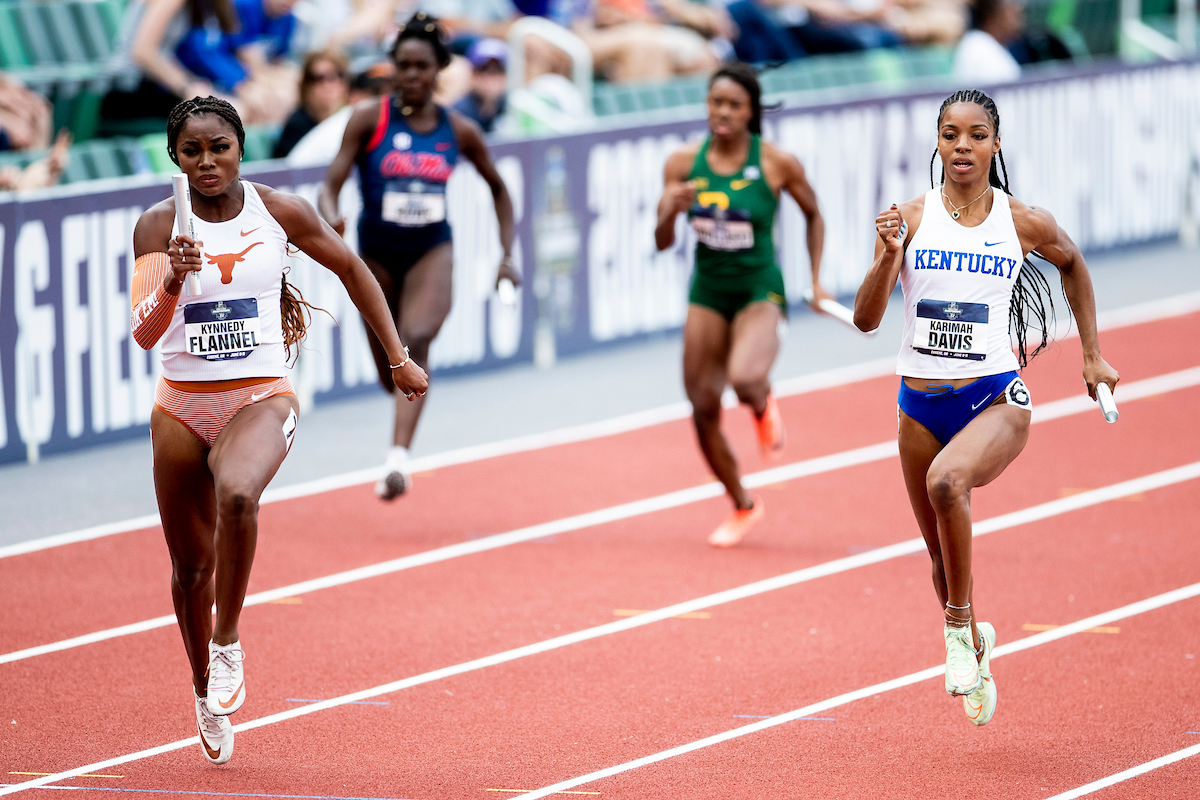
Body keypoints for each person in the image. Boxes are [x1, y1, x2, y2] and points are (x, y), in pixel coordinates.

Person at [130, 96, 428, 764]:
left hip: (261, 394)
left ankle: (227, 639)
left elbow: (352, 270)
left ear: (240, 147)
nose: (207, 163)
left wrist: (398, 356)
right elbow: (145, 332)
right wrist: (174, 280)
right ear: (174, 157)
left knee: (238, 494)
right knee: (188, 569)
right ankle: (205, 691)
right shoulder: (157, 226)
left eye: (219, 148)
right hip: (181, 404)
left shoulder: (279, 211)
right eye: (191, 152)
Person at [853, 89, 1119, 726]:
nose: (963, 146)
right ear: (938, 144)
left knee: (947, 483)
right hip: (917, 404)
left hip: (994, 396)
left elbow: (1074, 265)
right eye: (950, 135)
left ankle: (954, 633)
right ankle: (976, 642)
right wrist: (889, 256)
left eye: (976, 135)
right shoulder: (910, 220)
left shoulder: (1022, 221)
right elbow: (865, 321)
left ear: (996, 145)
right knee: (942, 562)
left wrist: (1092, 355)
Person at [319, 13, 518, 500]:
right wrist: (333, 219)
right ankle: (399, 400)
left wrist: (506, 255)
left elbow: (499, 190)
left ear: (438, 72)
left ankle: (396, 461)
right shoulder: (369, 119)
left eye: (422, 67)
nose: (412, 75)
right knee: (394, 368)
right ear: (394, 69)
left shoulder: (460, 130)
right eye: (404, 66)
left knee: (418, 337)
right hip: (375, 255)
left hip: (432, 247)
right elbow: (330, 185)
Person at [655, 63, 830, 549]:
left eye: (734, 105)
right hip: (708, 289)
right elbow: (663, 240)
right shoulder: (683, 163)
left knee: (746, 378)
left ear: (751, 111)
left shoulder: (776, 162)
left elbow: (814, 214)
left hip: (759, 287)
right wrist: (670, 208)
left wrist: (815, 281)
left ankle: (761, 403)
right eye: (715, 103)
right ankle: (741, 504)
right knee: (702, 405)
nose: (723, 113)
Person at [272, 50, 350, 158]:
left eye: (334, 76)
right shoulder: (296, 126)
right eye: (319, 78)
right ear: (306, 86)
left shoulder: (350, 118)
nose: (327, 86)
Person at [953, 0, 1023, 83]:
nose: (1020, 21)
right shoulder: (977, 46)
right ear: (994, 14)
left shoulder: (994, 44)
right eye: (1014, 13)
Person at [452, 37, 508, 133]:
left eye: (497, 71)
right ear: (472, 73)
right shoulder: (458, 113)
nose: (490, 78)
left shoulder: (510, 105)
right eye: (483, 69)